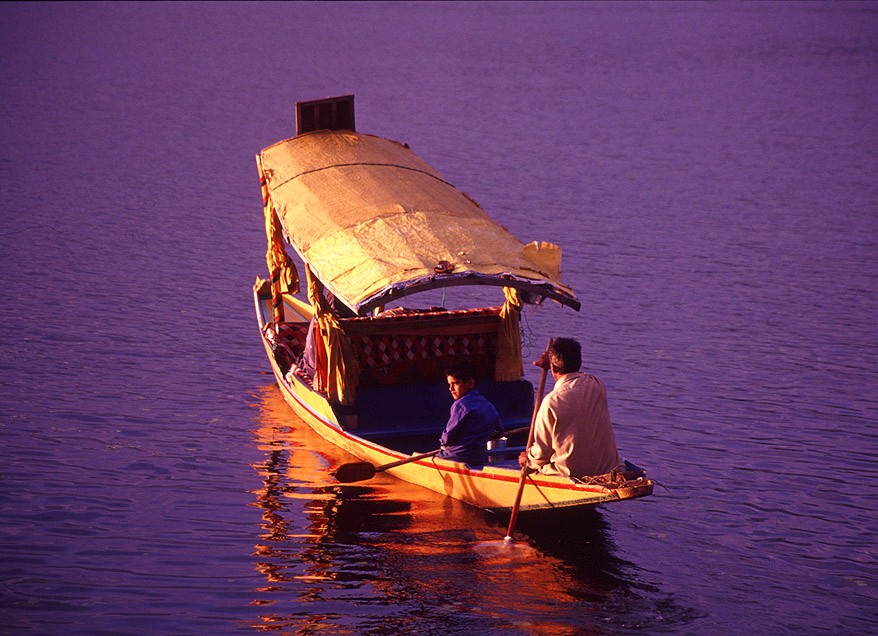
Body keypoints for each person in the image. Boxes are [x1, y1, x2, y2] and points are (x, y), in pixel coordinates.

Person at [519, 338, 622, 478]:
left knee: (536, 463)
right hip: (605, 469)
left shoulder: (551, 402)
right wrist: (552, 363)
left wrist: (528, 460)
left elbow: (541, 453)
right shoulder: (597, 385)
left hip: (569, 474)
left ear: (553, 367)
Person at [438, 361, 502, 466]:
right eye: (450, 384)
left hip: (456, 456)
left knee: (436, 458)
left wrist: (443, 444)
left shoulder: (460, 405)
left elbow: (448, 436)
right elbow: (499, 431)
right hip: (479, 456)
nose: (451, 389)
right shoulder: (488, 405)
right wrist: (481, 438)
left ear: (470, 383)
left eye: (456, 383)